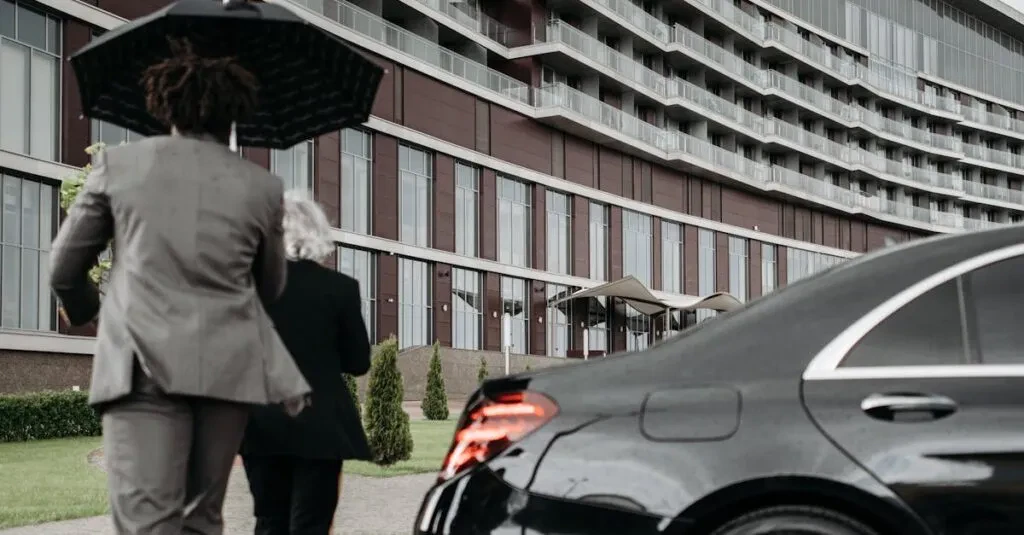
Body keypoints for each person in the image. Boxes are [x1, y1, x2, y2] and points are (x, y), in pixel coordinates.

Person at [49, 38, 310, 535]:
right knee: (201, 520)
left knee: (148, 521)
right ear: (234, 113)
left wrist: (91, 311)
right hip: (228, 372)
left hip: (139, 367)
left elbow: (63, 269)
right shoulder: (263, 188)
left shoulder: (120, 167)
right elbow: (271, 286)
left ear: (164, 103)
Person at [240, 190, 373, 535]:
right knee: (311, 524)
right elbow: (359, 362)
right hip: (321, 423)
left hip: (260, 420)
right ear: (316, 232)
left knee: (269, 521)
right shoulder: (341, 288)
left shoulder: (245, 287)